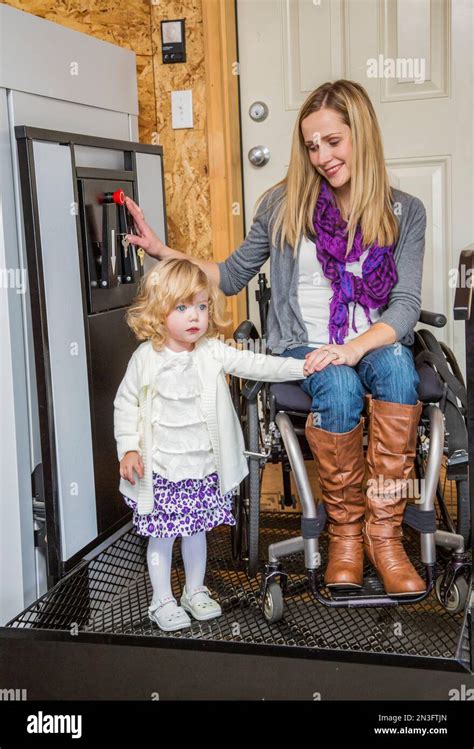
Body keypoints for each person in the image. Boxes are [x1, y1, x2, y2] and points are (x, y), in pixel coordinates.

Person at [123, 79, 427, 598]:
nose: (322, 157)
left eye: (333, 141)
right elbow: (230, 274)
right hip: (304, 344)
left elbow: (404, 307)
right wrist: (162, 251)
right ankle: (347, 536)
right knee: (338, 385)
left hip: (371, 341)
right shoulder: (283, 204)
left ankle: (385, 535)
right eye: (312, 146)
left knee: (397, 365)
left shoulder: (404, 212)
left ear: (363, 134)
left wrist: (353, 347)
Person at [114, 258, 313, 632]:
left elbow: (256, 364)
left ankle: (194, 590)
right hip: (160, 470)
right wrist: (128, 448)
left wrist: (302, 368)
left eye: (202, 307)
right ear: (159, 312)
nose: (195, 317)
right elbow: (126, 404)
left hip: (200, 468)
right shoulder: (145, 359)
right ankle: (161, 600)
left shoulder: (211, 352)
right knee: (161, 536)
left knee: (197, 531)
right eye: (183, 307)